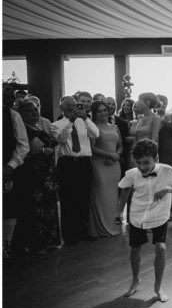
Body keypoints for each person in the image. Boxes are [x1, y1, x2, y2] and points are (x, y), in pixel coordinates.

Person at [116, 139, 172, 302]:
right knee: (135, 250)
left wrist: (168, 189)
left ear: (157, 158)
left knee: (161, 249)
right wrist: (119, 211)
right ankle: (135, 279)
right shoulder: (132, 173)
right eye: (138, 162)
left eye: (146, 162)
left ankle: (158, 286)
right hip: (137, 216)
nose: (142, 167)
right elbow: (125, 191)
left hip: (159, 216)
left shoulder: (168, 171)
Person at [51, 95, 99, 245]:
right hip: (67, 164)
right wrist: (70, 121)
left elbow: (96, 134)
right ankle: (69, 235)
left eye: (74, 104)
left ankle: (83, 232)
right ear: (62, 107)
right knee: (68, 200)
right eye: (68, 105)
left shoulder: (84, 122)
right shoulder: (56, 124)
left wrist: (85, 119)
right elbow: (62, 139)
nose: (72, 107)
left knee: (83, 198)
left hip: (84, 163)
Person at [14, 100, 60, 254]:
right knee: (36, 209)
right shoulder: (23, 129)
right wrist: (40, 151)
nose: (33, 113)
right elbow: (22, 151)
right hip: (32, 173)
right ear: (21, 114)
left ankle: (51, 241)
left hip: (47, 172)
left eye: (35, 110)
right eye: (29, 111)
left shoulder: (42, 125)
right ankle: (37, 245)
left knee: (49, 206)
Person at [87, 100, 123, 238]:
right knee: (100, 194)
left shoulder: (114, 127)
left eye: (105, 110)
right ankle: (99, 228)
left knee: (113, 195)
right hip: (99, 165)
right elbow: (93, 148)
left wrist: (116, 155)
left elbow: (120, 146)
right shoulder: (93, 127)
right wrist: (110, 155)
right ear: (94, 113)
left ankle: (113, 225)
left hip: (114, 165)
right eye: (99, 111)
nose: (103, 113)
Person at [3, 85, 30, 258]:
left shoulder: (12, 115)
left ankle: (6, 244)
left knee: (8, 208)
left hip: (6, 168)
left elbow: (23, 145)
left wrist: (10, 166)